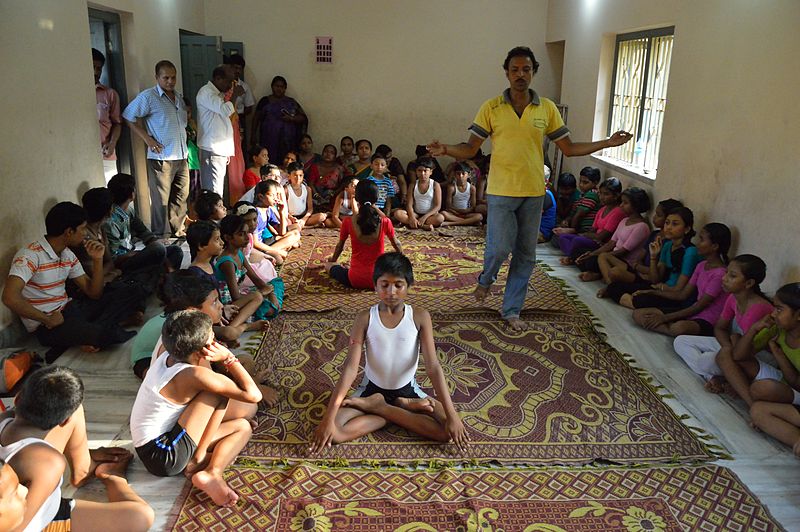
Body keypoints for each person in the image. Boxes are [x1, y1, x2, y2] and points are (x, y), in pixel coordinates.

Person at [427, 46, 631, 329]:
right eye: (515, 70)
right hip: (500, 190)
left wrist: (606, 143)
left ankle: (511, 310)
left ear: (533, 72)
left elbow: (569, 149)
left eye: (526, 69)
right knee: (499, 248)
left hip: (534, 192)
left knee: (525, 254)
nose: (520, 75)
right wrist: (447, 149)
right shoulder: (492, 107)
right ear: (507, 73)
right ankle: (486, 280)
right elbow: (471, 148)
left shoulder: (546, 109)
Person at [310, 253, 469, 452]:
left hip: (407, 390)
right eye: (384, 285)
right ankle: (393, 407)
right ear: (375, 285)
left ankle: (382, 407)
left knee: (447, 432)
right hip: (370, 389)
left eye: (398, 285)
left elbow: (433, 367)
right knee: (334, 433)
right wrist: (328, 418)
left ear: (409, 286)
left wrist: (453, 416)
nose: (391, 291)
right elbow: (350, 367)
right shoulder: (365, 318)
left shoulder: (420, 317)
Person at [130, 310, 261, 507]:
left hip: (159, 448)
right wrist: (228, 357)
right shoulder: (194, 375)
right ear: (202, 351)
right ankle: (204, 464)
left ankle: (207, 465)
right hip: (163, 454)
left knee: (243, 427)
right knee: (219, 391)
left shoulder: (169, 355)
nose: (216, 341)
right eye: (213, 337)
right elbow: (254, 395)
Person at [0, 366, 154, 532]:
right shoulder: (49, 463)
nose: (23, 491)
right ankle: (112, 476)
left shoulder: (4, 418)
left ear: (16, 399)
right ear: (64, 422)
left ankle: (84, 467)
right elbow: (17, 524)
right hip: (30, 522)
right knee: (140, 516)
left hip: (25, 491)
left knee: (73, 406)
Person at [2, 202, 137, 363]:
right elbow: (9, 297)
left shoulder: (67, 254)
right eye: (82, 229)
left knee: (131, 290)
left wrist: (97, 260)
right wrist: (47, 319)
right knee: (107, 335)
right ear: (69, 232)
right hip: (48, 326)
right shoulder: (30, 255)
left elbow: (94, 293)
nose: (85, 234)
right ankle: (92, 330)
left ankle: (83, 332)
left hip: (72, 309)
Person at [673, 254, 773, 392]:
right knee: (681, 341)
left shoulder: (758, 308)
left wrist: (728, 350)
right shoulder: (733, 297)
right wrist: (726, 347)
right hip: (735, 346)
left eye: (732, 276)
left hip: (754, 356)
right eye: (726, 272)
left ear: (749, 283)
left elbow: (750, 350)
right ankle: (712, 377)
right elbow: (720, 328)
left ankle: (723, 377)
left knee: (705, 361)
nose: (724, 278)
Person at [122, 60, 189, 237]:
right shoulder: (148, 97)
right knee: (161, 201)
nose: (170, 81)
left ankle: (178, 231)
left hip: (181, 155)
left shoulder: (178, 97)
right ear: (157, 77)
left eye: (173, 77)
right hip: (162, 157)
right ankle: (160, 235)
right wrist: (147, 139)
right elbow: (128, 116)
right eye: (165, 77)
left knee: (181, 196)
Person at [632, 223, 730, 336]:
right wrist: (652, 291)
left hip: (708, 320)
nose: (697, 244)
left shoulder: (720, 274)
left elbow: (699, 306)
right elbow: (682, 295)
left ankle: (672, 329)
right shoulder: (702, 265)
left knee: (679, 328)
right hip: (691, 311)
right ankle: (671, 329)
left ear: (715, 246)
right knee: (638, 314)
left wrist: (665, 318)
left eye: (702, 240)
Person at [717, 283, 800, 408]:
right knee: (725, 354)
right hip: (783, 379)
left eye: (779, 309)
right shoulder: (777, 328)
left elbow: (796, 383)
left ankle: (758, 406)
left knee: (762, 389)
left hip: (795, 389)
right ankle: (752, 404)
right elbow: (738, 356)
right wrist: (753, 329)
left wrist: (778, 354)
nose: (773, 314)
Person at [187, 220, 268, 332]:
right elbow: (201, 309)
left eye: (220, 238)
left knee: (257, 296)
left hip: (221, 308)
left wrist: (224, 308)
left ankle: (232, 327)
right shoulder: (195, 273)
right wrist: (221, 311)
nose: (222, 243)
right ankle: (242, 327)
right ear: (201, 246)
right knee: (229, 334)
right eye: (217, 239)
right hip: (209, 317)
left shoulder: (210, 263)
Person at [324, 180, 403, 289]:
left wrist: (333, 261)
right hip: (379, 281)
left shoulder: (347, 222)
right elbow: (397, 245)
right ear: (376, 198)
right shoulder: (385, 222)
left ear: (356, 198)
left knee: (328, 265)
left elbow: (339, 247)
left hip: (355, 279)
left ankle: (345, 268)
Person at [104, 173, 184, 273]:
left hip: (132, 255)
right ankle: (161, 277)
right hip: (124, 263)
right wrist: (136, 253)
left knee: (175, 251)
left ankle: (163, 278)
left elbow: (143, 232)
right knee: (158, 250)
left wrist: (154, 242)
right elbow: (114, 258)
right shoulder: (111, 222)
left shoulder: (128, 210)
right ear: (132, 194)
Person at [597, 198, 682, 288]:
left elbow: (656, 274)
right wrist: (638, 268)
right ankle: (611, 285)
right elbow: (640, 257)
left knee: (615, 272)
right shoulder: (654, 234)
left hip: (648, 277)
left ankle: (611, 286)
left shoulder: (668, 243)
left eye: (658, 215)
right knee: (603, 256)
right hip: (638, 271)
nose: (654, 217)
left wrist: (639, 268)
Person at [574, 187, 651, 282]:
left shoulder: (641, 227)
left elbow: (624, 251)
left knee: (594, 260)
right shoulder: (624, 220)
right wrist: (592, 254)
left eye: (625, 203)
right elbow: (611, 243)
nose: (621, 205)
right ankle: (599, 274)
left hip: (625, 262)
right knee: (582, 253)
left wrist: (600, 256)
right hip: (612, 257)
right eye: (622, 202)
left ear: (636, 206)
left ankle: (607, 280)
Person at [217, 215, 284, 320]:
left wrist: (269, 292)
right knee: (269, 308)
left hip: (243, 295)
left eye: (247, 233)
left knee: (276, 283)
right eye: (241, 234)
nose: (247, 238)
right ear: (228, 238)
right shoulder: (227, 263)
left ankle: (270, 304)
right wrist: (263, 293)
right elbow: (235, 297)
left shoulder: (239, 253)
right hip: (231, 304)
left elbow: (255, 278)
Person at [557, 177, 625, 264]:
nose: (602, 197)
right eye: (600, 194)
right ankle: (574, 256)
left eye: (606, 194)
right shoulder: (602, 209)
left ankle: (572, 257)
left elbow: (601, 236)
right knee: (563, 237)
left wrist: (584, 235)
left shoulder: (617, 212)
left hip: (602, 244)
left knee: (577, 241)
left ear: (616, 196)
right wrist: (582, 234)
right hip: (593, 239)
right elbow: (592, 229)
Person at [196, 65, 237, 197]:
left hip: (218, 149)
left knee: (217, 189)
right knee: (213, 191)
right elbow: (225, 111)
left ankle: (215, 217)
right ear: (218, 78)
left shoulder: (217, 94)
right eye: (229, 81)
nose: (231, 85)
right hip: (212, 149)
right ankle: (212, 218)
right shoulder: (206, 92)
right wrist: (235, 95)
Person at [253, 76, 307, 165]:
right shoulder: (265, 101)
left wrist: (291, 118)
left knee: (286, 162)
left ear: (285, 89)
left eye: (282, 87)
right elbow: (256, 118)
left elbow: (303, 118)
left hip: (287, 141)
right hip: (269, 139)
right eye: (277, 86)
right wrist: (253, 135)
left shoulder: (291, 102)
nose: (279, 89)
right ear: (272, 86)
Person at [93, 48, 122, 183]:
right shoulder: (74, 94)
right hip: (81, 154)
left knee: (109, 195)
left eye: (99, 68)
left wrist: (112, 143)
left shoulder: (109, 94)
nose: (96, 72)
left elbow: (117, 123)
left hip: (106, 154)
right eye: (92, 67)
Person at [393, 157, 444, 230]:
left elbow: (437, 206)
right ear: (416, 172)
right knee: (398, 214)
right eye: (419, 170)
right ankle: (423, 226)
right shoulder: (412, 185)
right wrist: (412, 217)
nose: (422, 173)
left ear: (431, 172)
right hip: (416, 214)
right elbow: (409, 204)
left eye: (425, 171)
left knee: (440, 218)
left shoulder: (435, 185)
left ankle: (413, 224)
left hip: (429, 216)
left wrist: (425, 217)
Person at [252, 180, 301, 257]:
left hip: (264, 243)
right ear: (261, 197)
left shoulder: (268, 210)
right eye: (272, 195)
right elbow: (255, 243)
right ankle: (270, 253)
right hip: (257, 246)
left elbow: (282, 232)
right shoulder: (255, 214)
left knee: (295, 233)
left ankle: (272, 252)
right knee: (279, 259)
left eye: (276, 195)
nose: (276, 198)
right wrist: (277, 250)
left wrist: (281, 212)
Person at [552, 167, 603, 239]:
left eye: (585, 182)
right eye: (580, 181)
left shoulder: (592, 194)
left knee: (559, 238)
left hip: (585, 230)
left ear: (595, 182)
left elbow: (578, 215)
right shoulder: (582, 195)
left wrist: (571, 230)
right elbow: (573, 213)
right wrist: (566, 221)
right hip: (578, 228)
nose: (581, 185)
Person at [284, 162, 327, 230]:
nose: (298, 178)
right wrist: (291, 218)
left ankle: (301, 225)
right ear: (289, 176)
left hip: (304, 218)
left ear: (303, 175)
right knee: (286, 223)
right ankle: (310, 226)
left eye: (300, 175)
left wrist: (304, 219)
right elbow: (284, 210)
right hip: (291, 218)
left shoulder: (307, 189)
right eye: (295, 175)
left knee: (321, 216)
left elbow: (310, 209)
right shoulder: (286, 190)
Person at [224, 54, 255, 146]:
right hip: (224, 118)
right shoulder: (223, 84)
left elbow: (249, 107)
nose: (237, 71)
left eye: (240, 68)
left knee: (239, 145)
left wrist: (238, 114)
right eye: (235, 67)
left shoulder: (244, 87)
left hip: (239, 119)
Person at [442, 161, 484, 227]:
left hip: (466, 214)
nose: (460, 176)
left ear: (468, 175)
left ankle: (451, 223)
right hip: (454, 213)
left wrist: (465, 211)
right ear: (455, 175)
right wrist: (458, 211)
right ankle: (469, 222)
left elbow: (473, 206)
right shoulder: (452, 188)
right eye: (458, 174)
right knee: (443, 213)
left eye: (463, 173)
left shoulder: (472, 188)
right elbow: (448, 205)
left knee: (480, 216)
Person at [313, 144, 345, 211]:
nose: (328, 154)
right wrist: (317, 195)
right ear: (322, 153)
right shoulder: (315, 166)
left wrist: (332, 194)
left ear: (335, 156)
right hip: (315, 198)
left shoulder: (339, 168)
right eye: (326, 151)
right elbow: (311, 183)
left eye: (332, 153)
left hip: (333, 199)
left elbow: (342, 185)